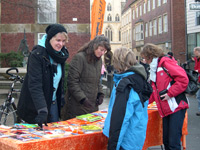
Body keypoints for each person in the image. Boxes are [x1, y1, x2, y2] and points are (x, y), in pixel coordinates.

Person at [17, 24, 69, 127]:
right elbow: (35, 84)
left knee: (53, 136)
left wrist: (62, 100)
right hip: (37, 106)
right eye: (58, 40)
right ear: (50, 39)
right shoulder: (37, 55)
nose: (61, 44)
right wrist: (42, 109)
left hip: (53, 104)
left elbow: (59, 81)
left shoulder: (60, 55)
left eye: (63, 41)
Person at [140, 43, 189, 150]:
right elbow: (155, 91)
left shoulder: (165, 62)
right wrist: (142, 103)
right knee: (167, 141)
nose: (144, 61)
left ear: (150, 56)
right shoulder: (156, 67)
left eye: (144, 58)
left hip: (176, 107)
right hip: (167, 108)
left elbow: (183, 79)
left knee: (173, 143)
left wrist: (170, 93)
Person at [103, 47, 152, 150]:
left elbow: (120, 120)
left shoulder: (126, 85)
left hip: (125, 140)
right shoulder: (139, 78)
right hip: (135, 136)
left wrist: (112, 146)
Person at [61, 35, 111, 120]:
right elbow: (72, 82)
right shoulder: (80, 58)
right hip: (77, 105)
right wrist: (83, 99)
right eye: (101, 50)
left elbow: (98, 81)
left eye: (104, 51)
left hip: (92, 105)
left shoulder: (99, 61)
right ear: (95, 46)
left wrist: (100, 94)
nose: (102, 53)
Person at [193, 47, 200, 116]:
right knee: (198, 95)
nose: (194, 53)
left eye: (194, 51)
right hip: (199, 78)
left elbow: (197, 68)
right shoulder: (197, 59)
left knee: (198, 95)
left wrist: (197, 71)